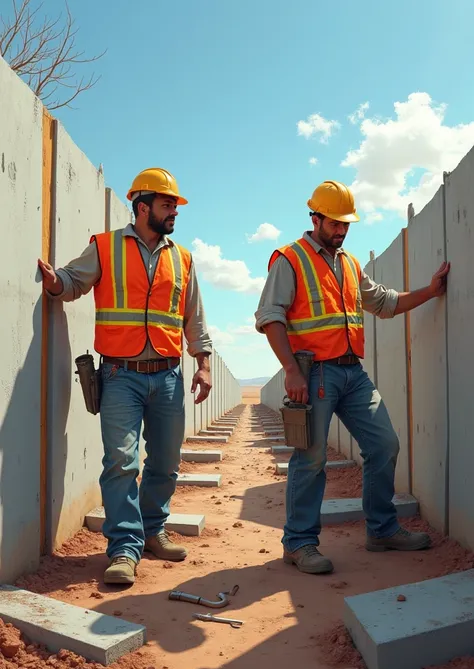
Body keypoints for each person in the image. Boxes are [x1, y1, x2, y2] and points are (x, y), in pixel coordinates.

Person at [255, 180, 450, 575]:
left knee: (385, 445)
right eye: (334, 223)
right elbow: (269, 316)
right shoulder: (289, 260)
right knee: (310, 460)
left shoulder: (348, 263)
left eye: (346, 224)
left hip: (351, 372)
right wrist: (291, 370)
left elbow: (383, 302)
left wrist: (429, 292)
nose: (342, 231)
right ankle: (298, 543)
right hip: (314, 375)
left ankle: (381, 530)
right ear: (316, 218)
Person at [38, 167, 213, 585]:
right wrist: (54, 282)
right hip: (120, 376)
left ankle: (153, 531)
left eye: (174, 205)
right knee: (120, 462)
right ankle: (124, 549)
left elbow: (193, 316)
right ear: (142, 206)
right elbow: (73, 281)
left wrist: (203, 362)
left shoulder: (183, 258)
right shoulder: (106, 247)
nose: (174, 212)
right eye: (167, 204)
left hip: (168, 376)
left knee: (166, 464)